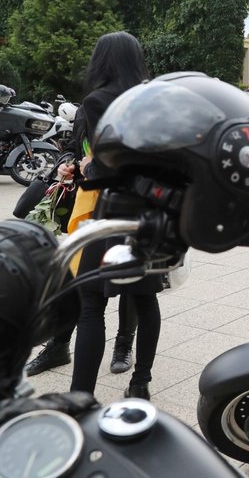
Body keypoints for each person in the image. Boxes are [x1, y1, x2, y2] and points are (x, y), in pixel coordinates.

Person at [68, 32, 162, 400]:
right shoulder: (154, 98)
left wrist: (87, 169)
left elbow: (107, 169)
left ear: (101, 60)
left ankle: (81, 395)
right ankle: (140, 384)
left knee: (91, 302)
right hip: (152, 211)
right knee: (144, 297)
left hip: (113, 211)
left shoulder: (97, 100)